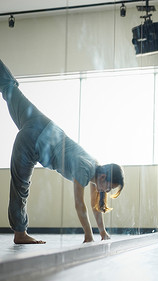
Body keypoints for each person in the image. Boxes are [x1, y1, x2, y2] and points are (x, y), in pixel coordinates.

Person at [0, 60, 125, 244]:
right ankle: (20, 233)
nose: (107, 191)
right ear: (104, 177)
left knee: (9, 88)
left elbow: (95, 206)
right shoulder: (85, 170)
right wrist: (89, 236)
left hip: (43, 123)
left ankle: (20, 232)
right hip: (34, 143)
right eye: (110, 187)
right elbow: (79, 205)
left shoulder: (94, 166)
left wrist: (103, 232)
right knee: (20, 187)